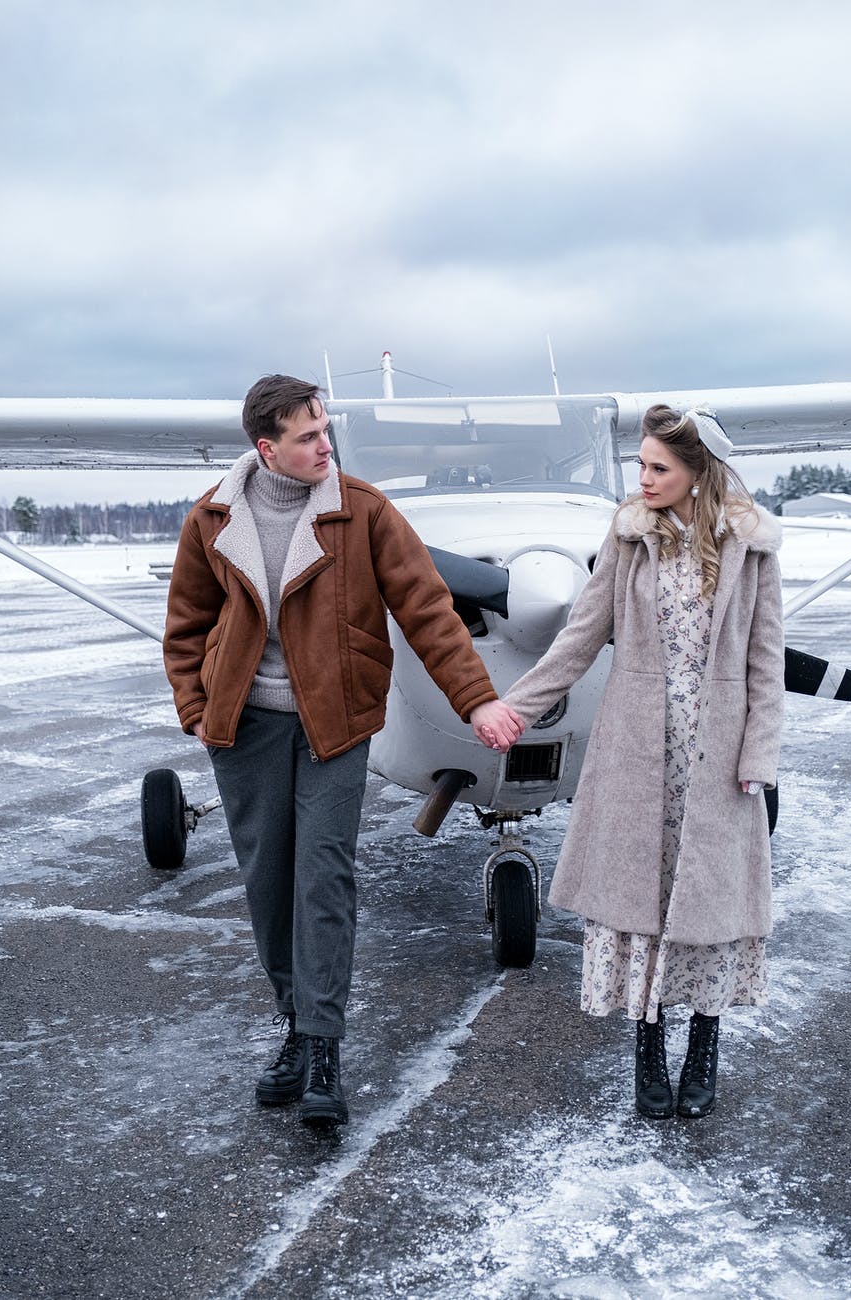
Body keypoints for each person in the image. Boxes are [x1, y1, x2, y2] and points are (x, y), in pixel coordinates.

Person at [162, 374, 523, 1127]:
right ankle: (294, 1024)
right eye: (308, 437)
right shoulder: (213, 516)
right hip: (244, 730)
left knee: (323, 878)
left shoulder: (363, 512)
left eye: (327, 429)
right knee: (268, 884)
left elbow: (428, 612)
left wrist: (478, 700)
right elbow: (187, 621)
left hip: (334, 727)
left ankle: (324, 1048)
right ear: (267, 448)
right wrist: (195, 708)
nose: (326, 445)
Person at [481, 404, 784, 1120]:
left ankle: (703, 1044)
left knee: (709, 900)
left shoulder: (753, 550)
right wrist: (515, 708)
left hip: (718, 757)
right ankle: (646, 1045)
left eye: (658, 468)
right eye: (639, 465)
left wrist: (758, 754)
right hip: (637, 750)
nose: (642, 480)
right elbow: (579, 639)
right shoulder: (627, 540)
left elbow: (765, 664)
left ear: (696, 474)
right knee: (642, 900)